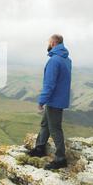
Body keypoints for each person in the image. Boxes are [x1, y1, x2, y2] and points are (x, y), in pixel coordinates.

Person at [28, 34, 72, 170]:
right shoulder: (67, 59)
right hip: (59, 98)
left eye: (48, 42)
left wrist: (42, 100)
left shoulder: (54, 61)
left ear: (53, 43)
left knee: (55, 129)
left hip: (54, 100)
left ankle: (60, 159)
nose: (47, 44)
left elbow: (50, 83)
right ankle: (40, 147)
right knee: (45, 124)